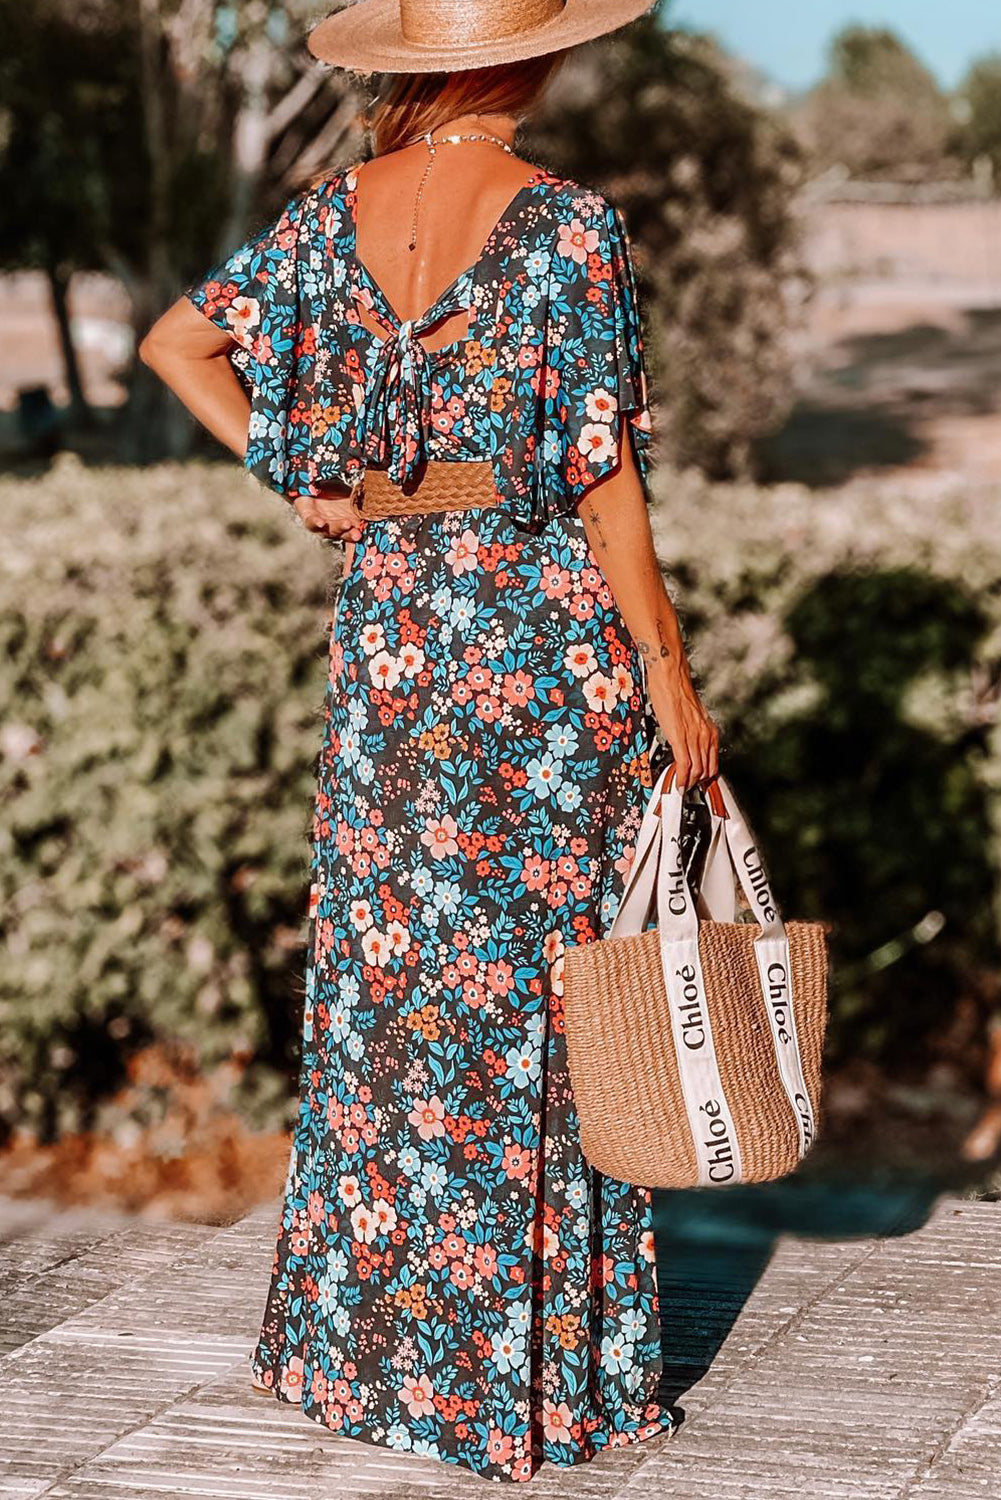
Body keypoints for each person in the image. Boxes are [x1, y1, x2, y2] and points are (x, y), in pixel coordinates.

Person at [141, 0, 719, 1481]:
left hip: (394, 637)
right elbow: (602, 481)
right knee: (541, 1004)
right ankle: (520, 1391)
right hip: (530, 640)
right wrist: (666, 668)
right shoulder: (566, 226)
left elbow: (175, 343)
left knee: (389, 995)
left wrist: (304, 475)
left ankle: (363, 1363)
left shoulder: (331, 215)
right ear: (524, 59)